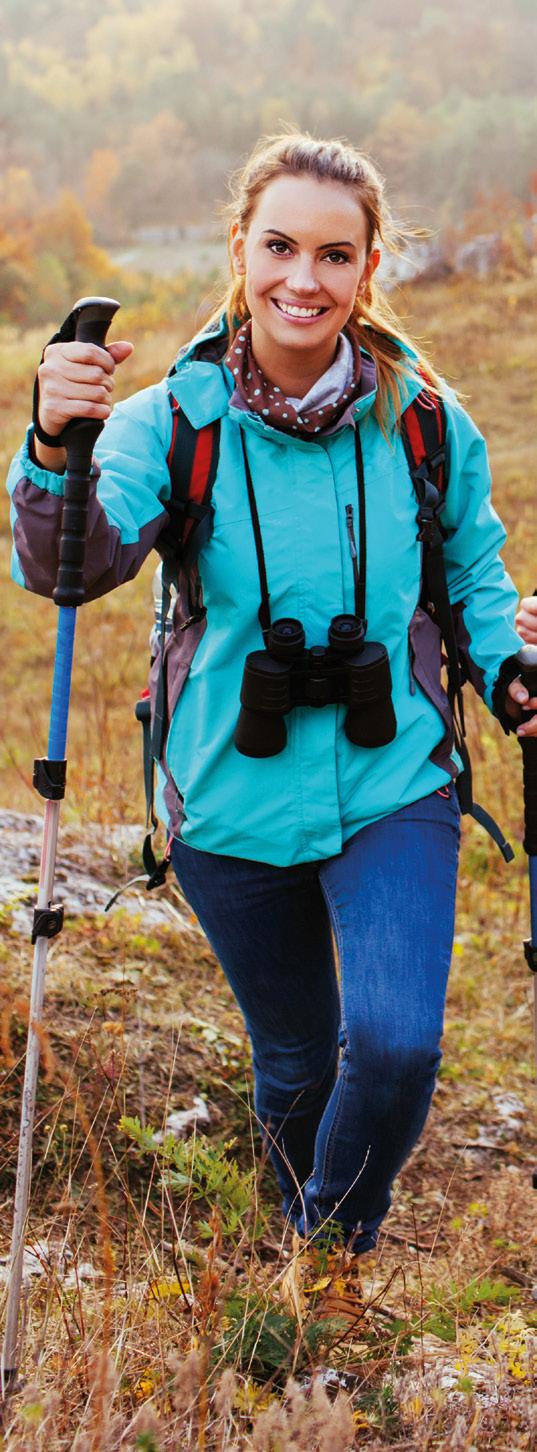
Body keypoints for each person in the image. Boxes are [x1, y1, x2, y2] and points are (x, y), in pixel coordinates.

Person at [7, 133, 537, 1314]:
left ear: (370, 266)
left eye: (335, 255)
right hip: (227, 794)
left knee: (394, 1046)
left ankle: (325, 1257)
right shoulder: (170, 422)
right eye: (282, 247)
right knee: (296, 1058)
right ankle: (305, 1234)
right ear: (240, 250)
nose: (306, 278)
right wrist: (52, 443)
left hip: (395, 778)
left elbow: (474, 574)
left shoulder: (424, 422)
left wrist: (509, 668)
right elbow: (67, 566)